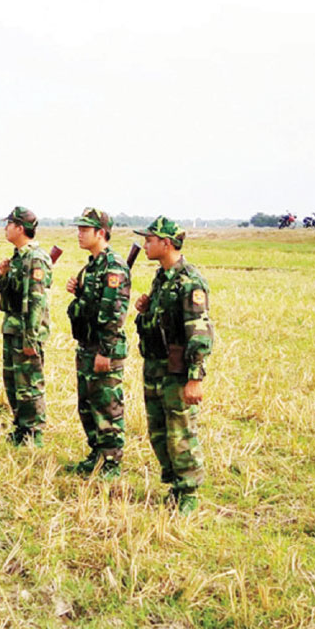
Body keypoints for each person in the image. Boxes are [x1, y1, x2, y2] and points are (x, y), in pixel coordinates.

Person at [133, 216, 213, 515]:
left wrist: (195, 378)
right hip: (155, 366)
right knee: (158, 431)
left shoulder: (190, 281)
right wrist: (146, 310)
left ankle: (188, 492)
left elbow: (199, 333)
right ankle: (175, 486)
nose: (145, 245)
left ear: (166, 243)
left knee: (180, 431)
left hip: (176, 371)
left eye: (150, 240)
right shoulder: (162, 278)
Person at [64, 208, 130, 478]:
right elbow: (94, 304)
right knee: (88, 404)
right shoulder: (92, 265)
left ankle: (112, 463)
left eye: (85, 230)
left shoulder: (113, 265)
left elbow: (115, 313)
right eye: (78, 228)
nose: (79, 234)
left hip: (103, 349)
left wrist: (105, 351)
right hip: (87, 345)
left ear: (100, 233)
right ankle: (97, 454)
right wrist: (79, 292)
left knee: (107, 405)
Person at [0, 206, 51, 446]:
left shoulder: (35, 258)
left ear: (20, 228)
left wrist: (31, 339)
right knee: (13, 382)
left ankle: (34, 432)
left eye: (9, 224)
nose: (5, 229)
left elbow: (36, 301)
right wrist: (4, 276)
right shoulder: (18, 257)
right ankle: (21, 427)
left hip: (26, 332)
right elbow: (12, 297)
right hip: (13, 328)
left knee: (29, 384)